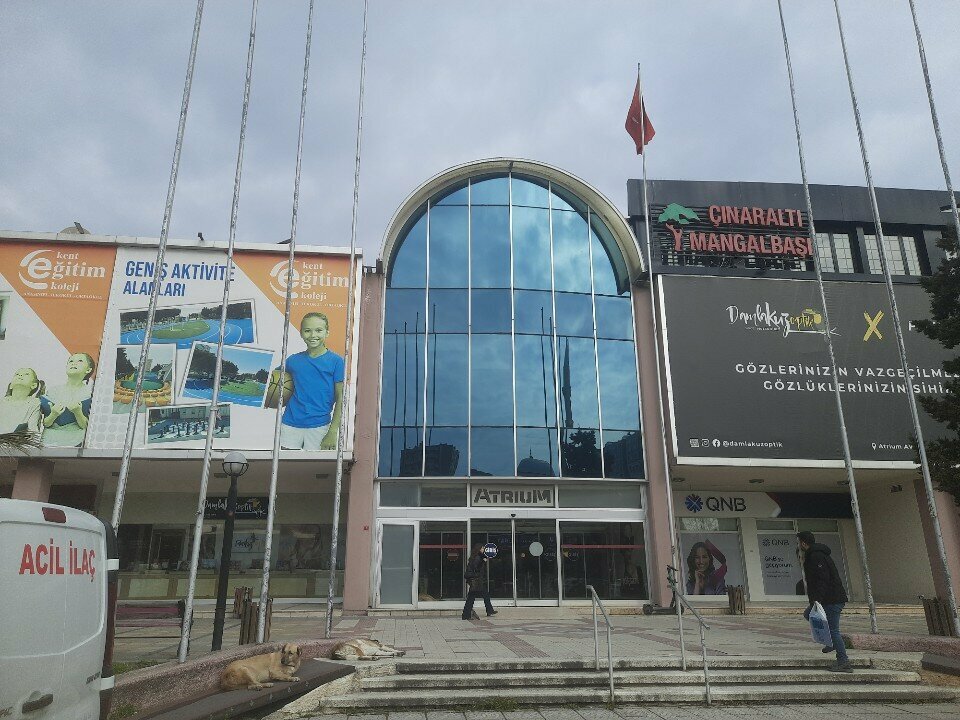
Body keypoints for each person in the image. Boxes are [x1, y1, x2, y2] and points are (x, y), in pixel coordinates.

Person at [278, 312, 345, 451]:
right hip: (290, 424)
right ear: (301, 333)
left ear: (327, 332)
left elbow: (341, 398)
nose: (313, 335)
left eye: (319, 330)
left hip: (320, 426)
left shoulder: (337, 361)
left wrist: (333, 432)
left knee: (316, 464)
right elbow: (270, 382)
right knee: (286, 464)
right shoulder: (292, 361)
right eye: (307, 330)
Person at [798, 530, 851, 672]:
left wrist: (817, 600)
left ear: (804, 543)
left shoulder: (817, 556)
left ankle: (843, 661)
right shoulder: (814, 555)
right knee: (808, 614)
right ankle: (831, 642)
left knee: (833, 631)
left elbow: (822, 579)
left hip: (831, 599)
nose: (799, 546)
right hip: (826, 599)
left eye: (799, 543)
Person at [41, 352, 96, 447]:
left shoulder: (90, 393)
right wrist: (53, 414)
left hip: (75, 442)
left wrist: (78, 412)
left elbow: (86, 426)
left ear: (88, 370)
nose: (74, 363)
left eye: (80, 361)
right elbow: (46, 423)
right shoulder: (53, 391)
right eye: (71, 361)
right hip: (49, 441)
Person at [0, 367, 44, 435]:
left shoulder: (34, 403)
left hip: (18, 440)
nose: (20, 375)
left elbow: (33, 431)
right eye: (17, 374)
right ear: (11, 385)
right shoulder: (2, 402)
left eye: (26, 374)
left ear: (33, 385)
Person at [462, 544, 498, 620]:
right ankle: (466, 615)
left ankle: (489, 610)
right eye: (482, 548)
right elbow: (476, 568)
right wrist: (483, 561)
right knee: (474, 597)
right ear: (479, 549)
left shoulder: (476, 557)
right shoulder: (478, 557)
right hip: (476, 581)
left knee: (476, 597)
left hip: (476, 581)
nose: (483, 549)